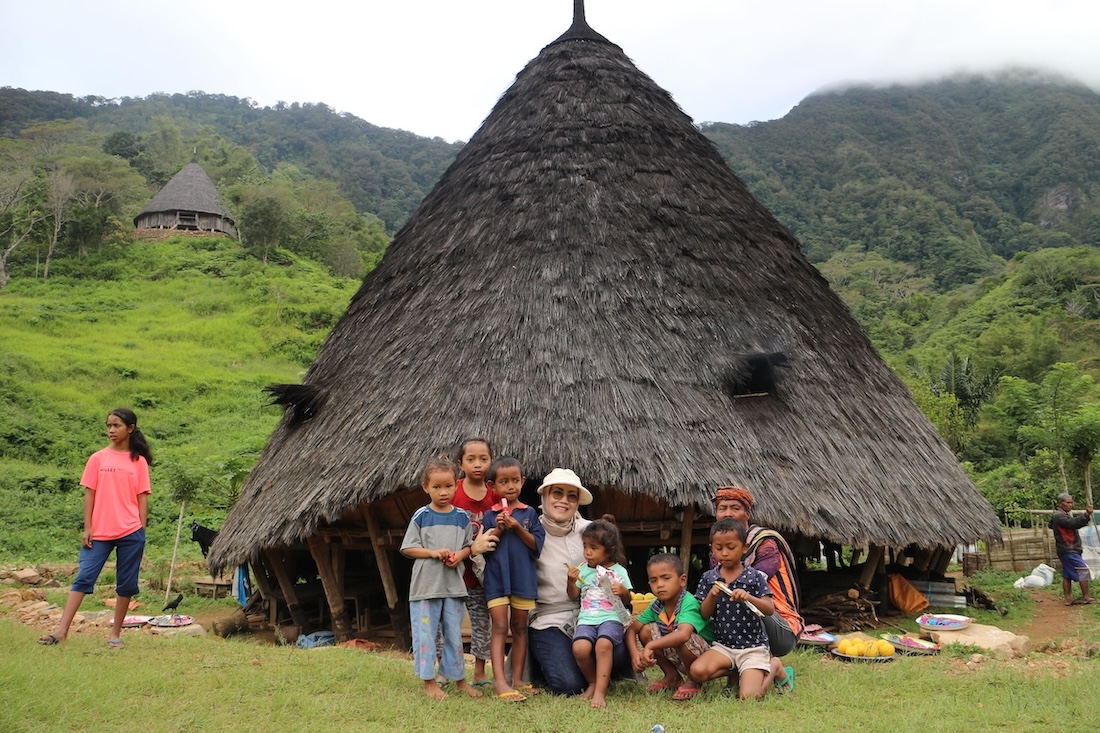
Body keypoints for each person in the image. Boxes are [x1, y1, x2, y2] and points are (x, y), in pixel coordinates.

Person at [38, 408, 153, 649]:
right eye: (108, 426)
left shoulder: (138, 461)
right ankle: (61, 631)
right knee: (84, 577)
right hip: (99, 532)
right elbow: (90, 495)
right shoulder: (97, 458)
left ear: (130, 428)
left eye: (117, 426)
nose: (111, 430)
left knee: (126, 583)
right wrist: (87, 527)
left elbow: (142, 498)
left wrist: (141, 530)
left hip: (131, 532)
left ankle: (115, 634)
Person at [399, 456, 482, 700]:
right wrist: (433, 553)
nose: (443, 492)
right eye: (436, 487)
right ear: (426, 487)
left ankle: (459, 680)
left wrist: (459, 556)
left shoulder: (461, 517)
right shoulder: (421, 516)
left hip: (454, 586)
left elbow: (469, 546)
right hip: (426, 587)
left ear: (456, 485)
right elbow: (408, 548)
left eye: (448, 486)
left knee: (454, 635)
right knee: (426, 635)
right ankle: (428, 682)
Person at [691, 518, 790, 700]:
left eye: (731, 547)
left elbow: (769, 609)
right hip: (724, 646)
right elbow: (704, 614)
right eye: (719, 548)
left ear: (744, 548)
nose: (725, 553)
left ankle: (774, 666)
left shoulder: (754, 577)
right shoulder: (709, 577)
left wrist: (749, 597)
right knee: (697, 672)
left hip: (752, 647)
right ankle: (735, 674)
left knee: (749, 697)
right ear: (711, 548)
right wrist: (712, 596)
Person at [481, 457, 545, 702]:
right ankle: (500, 682)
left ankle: (518, 679)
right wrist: (498, 528)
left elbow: (536, 546)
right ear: (492, 486)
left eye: (515, 481)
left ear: (523, 482)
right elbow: (487, 547)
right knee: (499, 627)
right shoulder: (489, 516)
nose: (510, 486)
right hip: (497, 580)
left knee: (519, 628)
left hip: (523, 580)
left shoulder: (529, 513)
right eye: (503, 482)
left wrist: (517, 527)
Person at [713, 485, 804, 655]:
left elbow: (746, 587)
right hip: (740, 622)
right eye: (722, 508)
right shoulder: (720, 550)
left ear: (747, 514)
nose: (728, 513)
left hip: (780, 625)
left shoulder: (765, 543)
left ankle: (768, 662)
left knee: (743, 598)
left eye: (735, 508)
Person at [566, 518, 634, 708]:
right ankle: (593, 682)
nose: (587, 552)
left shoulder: (619, 571)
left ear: (610, 548)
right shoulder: (583, 570)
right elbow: (573, 596)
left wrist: (623, 592)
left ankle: (600, 692)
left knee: (603, 645)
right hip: (586, 618)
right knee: (579, 648)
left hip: (611, 618)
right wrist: (571, 582)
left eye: (593, 547)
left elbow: (628, 600)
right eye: (585, 546)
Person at [629, 553, 714, 701]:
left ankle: (694, 680)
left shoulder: (688, 602)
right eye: (653, 580)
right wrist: (635, 655)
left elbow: (683, 635)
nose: (660, 585)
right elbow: (632, 629)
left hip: (707, 657)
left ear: (682, 580)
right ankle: (672, 676)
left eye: (666, 578)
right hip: (679, 653)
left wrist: (651, 646)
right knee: (645, 630)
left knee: (681, 637)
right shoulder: (656, 606)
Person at [450, 437, 498, 689]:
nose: (477, 464)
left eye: (483, 459)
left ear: (491, 461)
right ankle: (447, 670)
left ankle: (480, 672)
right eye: (471, 459)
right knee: (449, 621)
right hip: (454, 571)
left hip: (480, 576)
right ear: (461, 463)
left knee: (481, 623)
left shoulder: (494, 496)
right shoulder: (452, 492)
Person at [1050, 492, 1095, 606]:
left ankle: (1068, 599)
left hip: (1066, 549)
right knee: (1083, 570)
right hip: (1068, 549)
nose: (1071, 505)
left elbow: (1053, 525)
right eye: (1068, 502)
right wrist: (1086, 515)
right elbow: (1073, 523)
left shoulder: (1060, 515)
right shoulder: (1059, 516)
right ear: (1061, 503)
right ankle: (1086, 597)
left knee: (1067, 575)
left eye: (1071, 502)